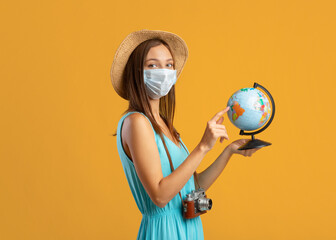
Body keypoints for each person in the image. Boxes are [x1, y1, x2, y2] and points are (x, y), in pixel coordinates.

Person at [111, 29, 260, 240]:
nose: (163, 71)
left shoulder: (164, 124)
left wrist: (229, 151)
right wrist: (202, 147)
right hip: (164, 232)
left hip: (189, 228)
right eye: (153, 65)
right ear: (137, 72)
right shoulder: (136, 123)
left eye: (169, 65)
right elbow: (161, 196)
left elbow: (193, 185)